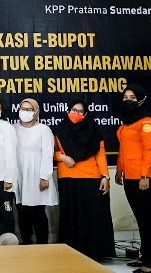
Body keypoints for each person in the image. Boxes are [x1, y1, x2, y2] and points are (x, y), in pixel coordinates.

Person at [53, 98, 115, 260]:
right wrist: (61, 157)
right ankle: (70, 253)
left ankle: (95, 253)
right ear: (68, 111)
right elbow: (50, 151)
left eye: (81, 111)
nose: (77, 114)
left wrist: (105, 176)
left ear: (86, 114)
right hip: (68, 178)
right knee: (71, 217)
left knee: (92, 218)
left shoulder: (92, 129)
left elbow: (100, 153)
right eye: (74, 110)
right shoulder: (60, 129)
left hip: (91, 178)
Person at [115, 84, 151, 273]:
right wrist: (119, 170)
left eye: (133, 97)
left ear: (141, 100)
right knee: (140, 218)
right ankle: (145, 255)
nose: (128, 100)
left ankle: (149, 264)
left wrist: (145, 175)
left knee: (147, 219)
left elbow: (149, 150)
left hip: (142, 178)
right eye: (125, 97)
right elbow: (124, 150)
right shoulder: (127, 122)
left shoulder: (146, 122)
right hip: (129, 177)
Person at [13, 98, 58, 245]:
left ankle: (42, 243)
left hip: (36, 175)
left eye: (29, 109)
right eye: (23, 109)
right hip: (20, 175)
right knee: (22, 211)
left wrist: (44, 177)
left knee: (37, 212)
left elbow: (48, 154)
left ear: (36, 111)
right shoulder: (14, 128)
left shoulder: (43, 130)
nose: (25, 112)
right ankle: (26, 242)